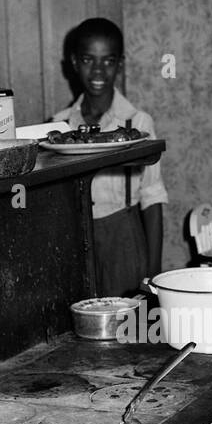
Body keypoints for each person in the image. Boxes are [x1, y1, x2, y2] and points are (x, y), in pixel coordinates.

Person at [53, 18, 167, 295]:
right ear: (74, 63)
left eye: (108, 60)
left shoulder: (137, 124)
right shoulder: (59, 125)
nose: (98, 70)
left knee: (129, 329)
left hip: (124, 241)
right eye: (89, 59)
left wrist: (153, 275)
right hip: (75, 243)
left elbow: (152, 200)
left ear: (120, 64)